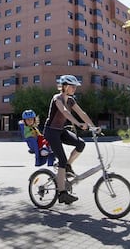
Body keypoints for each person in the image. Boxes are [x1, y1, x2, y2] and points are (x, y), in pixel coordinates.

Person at [43, 74, 98, 204]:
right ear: (65, 86)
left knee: (80, 144)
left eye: (75, 86)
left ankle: (68, 165)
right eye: (72, 86)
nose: (74, 89)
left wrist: (93, 127)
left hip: (61, 131)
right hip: (51, 132)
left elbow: (81, 113)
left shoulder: (71, 100)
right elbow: (65, 112)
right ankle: (62, 194)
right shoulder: (57, 98)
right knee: (61, 159)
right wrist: (78, 124)